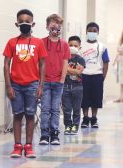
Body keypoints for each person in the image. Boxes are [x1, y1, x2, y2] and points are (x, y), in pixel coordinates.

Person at [3, 9, 47, 158]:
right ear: (17, 23)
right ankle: (17, 146)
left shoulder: (38, 43)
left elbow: (42, 65)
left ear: (33, 23)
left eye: (27, 21)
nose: (24, 23)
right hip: (15, 84)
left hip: (32, 85)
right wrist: (8, 86)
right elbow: (6, 64)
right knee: (17, 114)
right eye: (21, 21)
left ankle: (28, 146)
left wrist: (41, 85)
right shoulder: (11, 42)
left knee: (29, 115)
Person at [39, 14, 71, 145]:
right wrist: (39, 81)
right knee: (45, 108)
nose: (55, 29)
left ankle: (55, 134)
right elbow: (39, 62)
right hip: (45, 82)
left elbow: (65, 63)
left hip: (58, 82)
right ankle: (44, 135)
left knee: (55, 109)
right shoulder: (41, 42)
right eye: (52, 26)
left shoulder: (64, 44)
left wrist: (62, 79)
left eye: (58, 27)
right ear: (47, 27)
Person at [80, 22, 110, 128]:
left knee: (96, 99)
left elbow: (106, 62)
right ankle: (85, 118)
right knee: (84, 98)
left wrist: (103, 75)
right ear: (86, 32)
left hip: (97, 75)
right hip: (84, 75)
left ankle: (94, 118)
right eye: (90, 31)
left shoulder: (102, 46)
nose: (92, 33)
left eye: (94, 31)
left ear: (98, 32)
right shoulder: (81, 45)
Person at [62, 36, 85, 135]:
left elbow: (80, 72)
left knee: (76, 108)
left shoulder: (81, 59)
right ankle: (67, 125)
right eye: (70, 45)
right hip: (65, 87)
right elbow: (62, 70)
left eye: (75, 45)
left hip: (78, 87)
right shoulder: (64, 58)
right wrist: (73, 71)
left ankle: (75, 125)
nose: (73, 47)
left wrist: (67, 70)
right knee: (66, 109)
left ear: (79, 47)